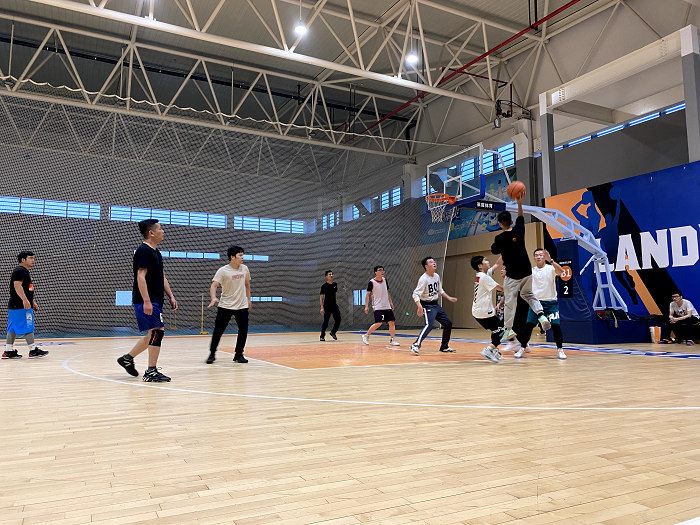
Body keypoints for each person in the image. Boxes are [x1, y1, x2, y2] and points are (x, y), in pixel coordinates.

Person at [117, 219, 178, 382]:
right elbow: (140, 276)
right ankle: (151, 371)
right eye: (160, 229)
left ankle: (127, 359)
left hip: (155, 299)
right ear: (151, 233)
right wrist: (146, 300)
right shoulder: (143, 251)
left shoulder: (156, 252)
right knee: (158, 332)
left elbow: (162, 276)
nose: (163, 231)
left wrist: (170, 296)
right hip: (147, 300)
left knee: (153, 333)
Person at [491, 193, 551, 342]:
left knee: (510, 302)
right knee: (529, 295)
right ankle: (541, 315)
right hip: (526, 270)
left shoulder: (499, 238)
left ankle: (508, 330)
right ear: (511, 221)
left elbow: (494, 250)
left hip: (513, 274)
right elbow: (521, 216)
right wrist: (519, 203)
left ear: (500, 224)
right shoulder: (519, 230)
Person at [514, 249, 567, 360]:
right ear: (534, 258)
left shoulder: (550, 268)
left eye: (541, 255)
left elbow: (561, 271)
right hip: (536, 304)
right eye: (536, 255)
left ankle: (560, 350)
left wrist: (551, 260)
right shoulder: (531, 271)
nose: (538, 257)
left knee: (556, 326)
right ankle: (523, 348)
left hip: (551, 303)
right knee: (528, 326)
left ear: (544, 257)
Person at [206, 246, 251, 363]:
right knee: (218, 330)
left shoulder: (245, 268)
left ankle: (239, 354)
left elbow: (247, 284)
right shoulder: (223, 271)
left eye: (242, 255)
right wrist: (213, 297)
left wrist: (249, 299)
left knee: (243, 329)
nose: (242, 257)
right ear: (232, 257)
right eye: (240, 255)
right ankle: (212, 353)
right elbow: (214, 285)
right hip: (226, 305)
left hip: (242, 305)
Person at [3, 251, 48, 359]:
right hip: (20, 305)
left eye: (34, 258)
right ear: (23, 260)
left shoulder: (25, 271)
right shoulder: (19, 271)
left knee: (12, 328)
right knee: (28, 325)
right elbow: (17, 286)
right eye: (31, 258)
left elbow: (28, 290)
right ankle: (32, 351)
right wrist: (25, 300)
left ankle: (8, 351)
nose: (33, 260)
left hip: (15, 305)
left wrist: (33, 302)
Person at [409, 257, 458, 355]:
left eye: (434, 261)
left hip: (435, 304)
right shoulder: (423, 279)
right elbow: (415, 294)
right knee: (429, 325)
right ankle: (416, 345)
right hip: (427, 305)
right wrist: (419, 307)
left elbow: (440, 290)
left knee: (448, 323)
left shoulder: (436, 276)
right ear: (426, 266)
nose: (434, 263)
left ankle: (444, 346)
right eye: (431, 262)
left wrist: (449, 298)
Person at [470, 255, 506, 362]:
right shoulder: (484, 278)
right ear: (480, 266)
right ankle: (489, 349)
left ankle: (493, 350)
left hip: (479, 310)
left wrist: (505, 250)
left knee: (496, 329)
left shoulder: (484, 274)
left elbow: (498, 264)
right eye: (485, 260)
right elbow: (501, 288)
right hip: (483, 312)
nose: (487, 261)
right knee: (503, 329)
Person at [362, 266, 400, 347]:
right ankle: (366, 335)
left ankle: (392, 339)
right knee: (379, 323)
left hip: (387, 305)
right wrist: (366, 306)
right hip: (378, 306)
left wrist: (390, 302)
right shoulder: (371, 282)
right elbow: (367, 295)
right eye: (380, 270)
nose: (382, 272)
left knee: (392, 322)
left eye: (383, 270)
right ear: (375, 272)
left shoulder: (385, 280)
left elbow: (387, 292)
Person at [319, 270, 341, 341]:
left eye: (332, 274)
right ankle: (322, 336)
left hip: (334, 306)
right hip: (327, 306)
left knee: (338, 320)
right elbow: (321, 297)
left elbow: (335, 294)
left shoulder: (335, 284)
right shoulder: (324, 286)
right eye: (329, 274)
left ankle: (333, 332)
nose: (331, 275)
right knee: (326, 322)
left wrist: (335, 301)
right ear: (326, 276)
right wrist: (322, 307)